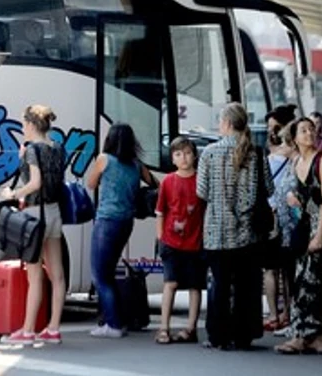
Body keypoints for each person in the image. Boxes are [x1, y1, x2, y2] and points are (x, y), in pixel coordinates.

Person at [198, 103, 273, 351]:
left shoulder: (209, 153)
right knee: (246, 285)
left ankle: (218, 336)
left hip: (217, 231)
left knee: (219, 284)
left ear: (228, 123)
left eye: (221, 121)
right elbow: (269, 189)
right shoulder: (256, 153)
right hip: (248, 232)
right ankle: (243, 335)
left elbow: (202, 191)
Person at [3, 105, 68, 345]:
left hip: (34, 214)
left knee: (35, 275)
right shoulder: (58, 148)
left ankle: (28, 330)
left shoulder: (32, 150)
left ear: (31, 125)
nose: (22, 129)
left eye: (23, 124)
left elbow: (35, 183)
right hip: (54, 212)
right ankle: (53, 328)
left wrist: (13, 194)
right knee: (57, 274)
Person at [276, 117, 322, 356]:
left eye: (311, 129)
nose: (309, 133)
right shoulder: (297, 162)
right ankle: (316, 338)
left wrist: (320, 235)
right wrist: (295, 199)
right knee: (305, 280)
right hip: (305, 225)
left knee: (309, 281)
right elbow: (300, 196)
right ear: (294, 138)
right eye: (303, 130)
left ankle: (302, 336)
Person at [86, 123, 153, 339]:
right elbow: (155, 183)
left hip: (107, 221)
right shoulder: (137, 164)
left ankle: (113, 324)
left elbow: (90, 184)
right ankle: (114, 320)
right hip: (126, 222)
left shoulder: (104, 159)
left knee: (99, 275)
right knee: (109, 271)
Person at [154, 137, 204, 345]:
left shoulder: (201, 180)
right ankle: (163, 327)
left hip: (196, 241)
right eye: (178, 154)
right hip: (171, 241)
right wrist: (160, 236)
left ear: (195, 156)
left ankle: (191, 328)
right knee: (170, 283)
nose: (183, 158)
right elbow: (160, 211)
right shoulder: (167, 181)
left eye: (188, 153)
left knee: (195, 285)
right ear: (172, 158)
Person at [263, 104, 297, 335]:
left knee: (271, 269)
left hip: (273, 217)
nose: (270, 131)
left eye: (274, 127)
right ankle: (288, 313)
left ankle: (274, 315)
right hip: (291, 219)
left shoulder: (272, 157)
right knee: (287, 269)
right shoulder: (298, 156)